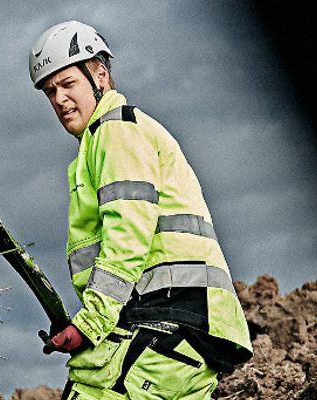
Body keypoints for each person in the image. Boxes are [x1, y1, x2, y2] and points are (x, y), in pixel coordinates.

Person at [29, 20, 253, 400]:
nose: (60, 99)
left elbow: (127, 237)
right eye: (50, 91)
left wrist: (91, 323)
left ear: (100, 75)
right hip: (187, 327)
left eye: (68, 84)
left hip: (169, 318)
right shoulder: (106, 141)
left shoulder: (116, 132)